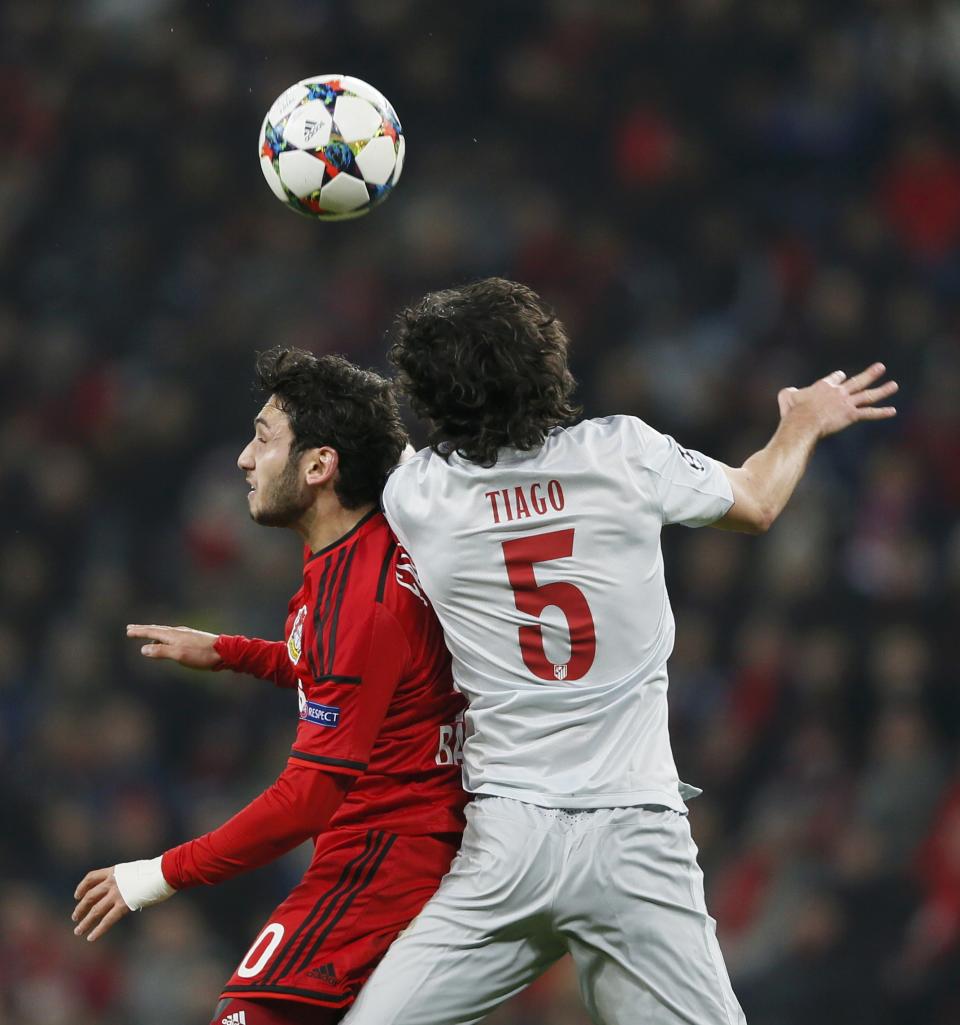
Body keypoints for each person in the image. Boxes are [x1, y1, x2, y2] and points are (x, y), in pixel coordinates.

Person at [340, 277, 899, 1025]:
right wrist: (801, 422)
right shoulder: (623, 453)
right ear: (548, 366)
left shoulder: (420, 498)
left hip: (509, 845)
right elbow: (759, 501)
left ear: (433, 397)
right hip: (635, 834)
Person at [71, 348, 467, 1025]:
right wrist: (232, 652)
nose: (243, 461)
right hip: (411, 846)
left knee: (248, 1015)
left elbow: (306, 799)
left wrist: (156, 874)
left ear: (319, 466)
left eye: (262, 438)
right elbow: (356, 676)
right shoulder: (375, 551)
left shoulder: (355, 599)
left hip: (380, 861)